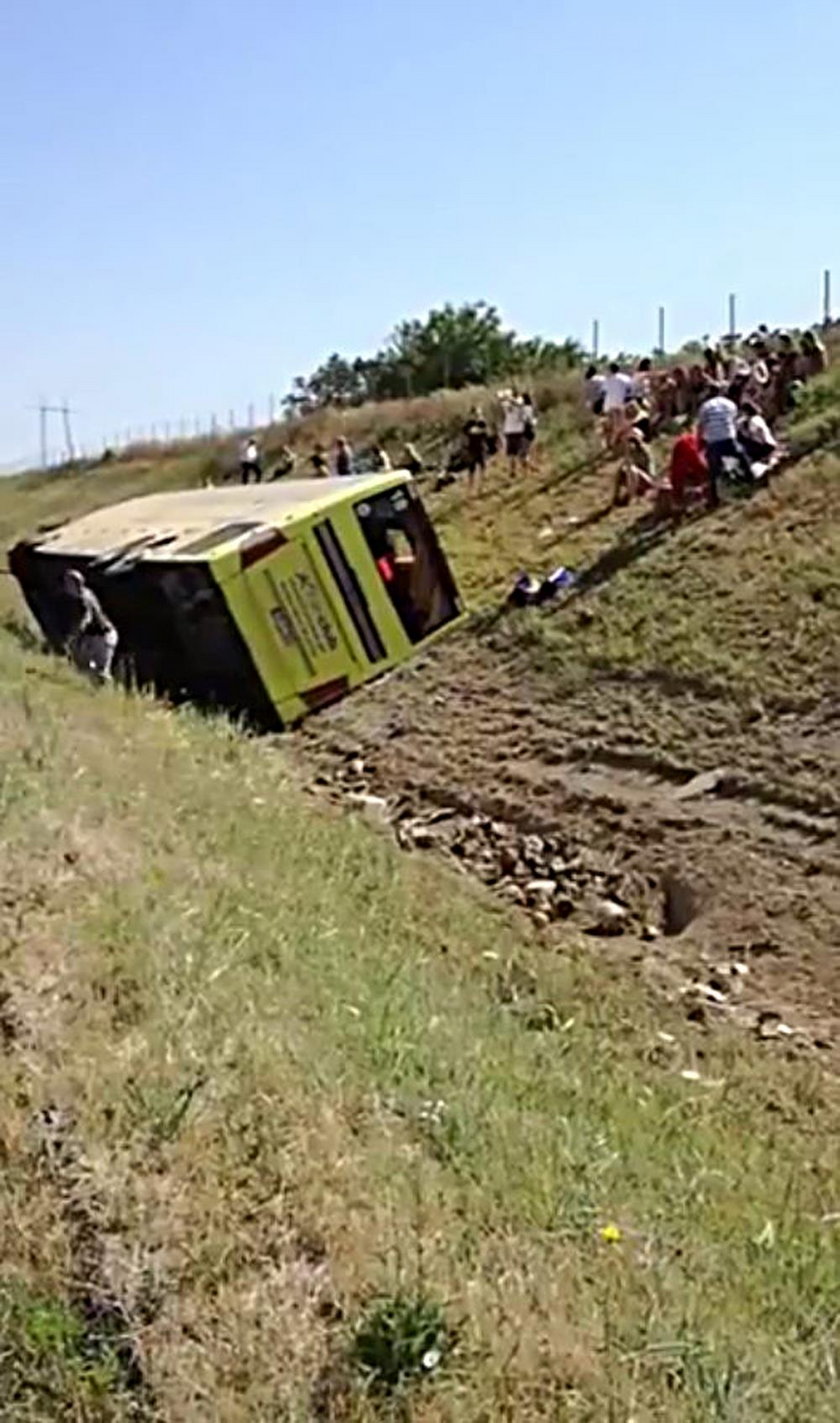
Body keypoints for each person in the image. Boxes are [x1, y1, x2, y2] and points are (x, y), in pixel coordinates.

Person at [696, 383, 753, 508]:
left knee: (713, 472)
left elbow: (701, 426)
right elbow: (733, 421)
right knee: (742, 457)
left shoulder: (705, 407)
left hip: (713, 441)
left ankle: (715, 499)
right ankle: (752, 481)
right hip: (728, 438)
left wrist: (699, 442)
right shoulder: (729, 404)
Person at [62, 569, 119, 684]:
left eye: (67, 583)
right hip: (93, 636)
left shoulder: (83, 598)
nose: (65, 587)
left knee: (101, 671)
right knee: (81, 664)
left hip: (103, 635)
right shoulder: (86, 593)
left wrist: (75, 635)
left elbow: (87, 617)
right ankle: (93, 689)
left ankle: (104, 692)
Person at [667, 429, 709, 512]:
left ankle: (682, 505)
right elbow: (698, 464)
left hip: (679, 475)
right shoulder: (690, 445)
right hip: (683, 473)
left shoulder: (689, 441)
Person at [613, 429, 656, 505]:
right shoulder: (631, 453)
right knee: (622, 470)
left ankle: (628, 497)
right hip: (636, 481)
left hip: (647, 481)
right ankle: (616, 496)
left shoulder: (645, 453)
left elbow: (651, 473)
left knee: (632, 469)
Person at [738, 399, 778, 465]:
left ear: (747, 412)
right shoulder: (757, 418)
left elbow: (752, 434)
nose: (743, 414)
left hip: (766, 444)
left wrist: (742, 428)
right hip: (768, 443)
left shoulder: (753, 421)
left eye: (743, 412)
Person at [603, 363, 633, 448]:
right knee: (622, 423)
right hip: (621, 405)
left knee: (613, 424)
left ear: (610, 370)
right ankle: (617, 439)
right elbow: (631, 389)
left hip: (609, 405)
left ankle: (612, 442)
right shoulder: (626, 378)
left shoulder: (608, 379)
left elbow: (604, 391)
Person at [463, 405, 491, 492]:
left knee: (483, 468)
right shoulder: (469, 423)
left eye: (478, 413)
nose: (477, 415)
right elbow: (465, 432)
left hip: (481, 447)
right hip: (472, 448)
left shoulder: (482, 422)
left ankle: (481, 486)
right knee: (471, 469)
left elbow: (487, 434)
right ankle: (470, 487)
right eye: (475, 413)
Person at [500, 390, 528, 473]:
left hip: (509, 431)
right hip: (518, 431)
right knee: (520, 452)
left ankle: (513, 470)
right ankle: (523, 469)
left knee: (511, 453)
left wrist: (508, 397)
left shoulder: (507, 406)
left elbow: (502, 399)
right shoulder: (521, 407)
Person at [521, 392, 538, 466]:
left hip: (525, 429)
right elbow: (534, 418)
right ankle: (527, 459)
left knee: (525, 448)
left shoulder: (523, 408)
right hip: (531, 428)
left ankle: (526, 459)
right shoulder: (532, 408)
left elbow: (524, 419)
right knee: (528, 447)